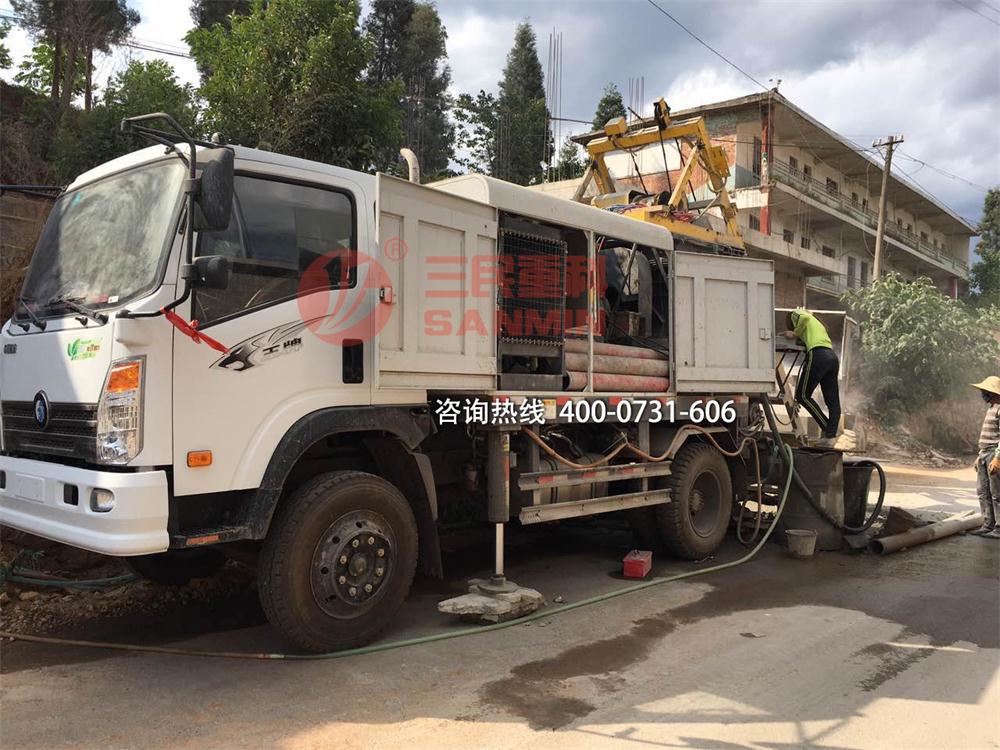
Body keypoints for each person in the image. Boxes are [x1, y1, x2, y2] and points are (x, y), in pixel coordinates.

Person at [783, 308, 841, 448]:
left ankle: (827, 428)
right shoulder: (817, 325)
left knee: (802, 395)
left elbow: (805, 318)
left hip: (818, 355)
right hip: (831, 357)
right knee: (832, 401)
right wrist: (799, 337)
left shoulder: (798, 314)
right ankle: (830, 436)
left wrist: (794, 333)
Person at [971, 376, 1000, 539]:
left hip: (994, 453)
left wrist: (997, 458)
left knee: (997, 493)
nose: (983, 394)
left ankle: (999, 527)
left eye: (985, 391)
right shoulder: (991, 408)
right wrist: (979, 455)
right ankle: (988, 524)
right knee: (983, 491)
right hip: (984, 453)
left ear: (993, 392)